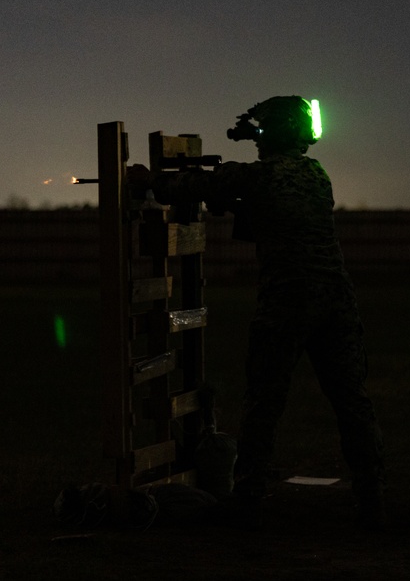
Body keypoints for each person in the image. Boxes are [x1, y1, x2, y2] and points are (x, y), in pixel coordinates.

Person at [129, 96, 385, 530]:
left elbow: (197, 186)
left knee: (264, 401)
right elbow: (276, 212)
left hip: (287, 299)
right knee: (352, 402)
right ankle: (373, 498)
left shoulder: (261, 175)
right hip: (336, 299)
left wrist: (149, 180)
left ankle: (246, 498)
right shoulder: (316, 175)